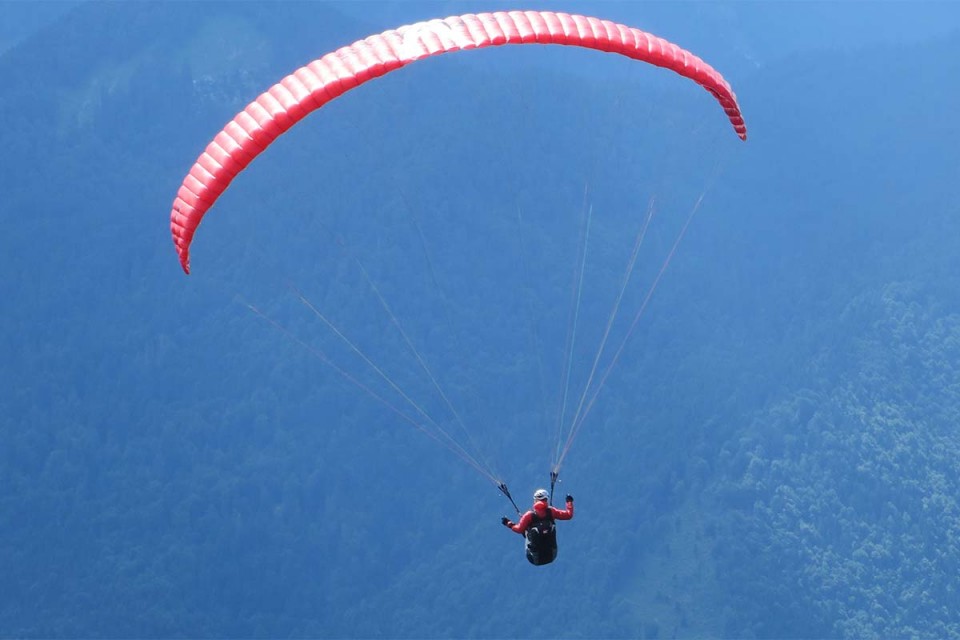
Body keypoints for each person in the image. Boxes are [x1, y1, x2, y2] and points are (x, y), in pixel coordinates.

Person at [501, 489, 574, 566]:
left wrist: (509, 524)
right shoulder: (552, 511)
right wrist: (569, 501)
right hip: (552, 555)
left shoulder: (528, 515)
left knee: (525, 531)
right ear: (546, 499)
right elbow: (568, 515)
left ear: (535, 500)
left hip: (534, 559)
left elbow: (519, 529)